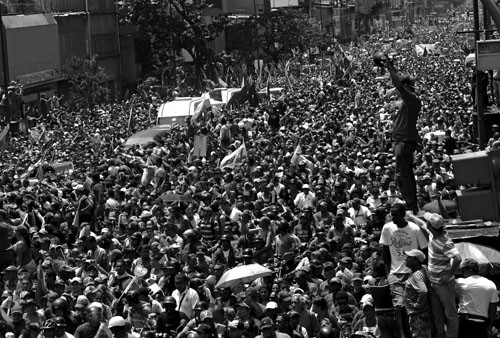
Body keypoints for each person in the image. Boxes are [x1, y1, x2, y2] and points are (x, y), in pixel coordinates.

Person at [377, 54, 422, 214]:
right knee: (405, 174)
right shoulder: (408, 100)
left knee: (403, 175)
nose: (396, 91)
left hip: (404, 142)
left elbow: (398, 83)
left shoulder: (411, 99)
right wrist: (390, 65)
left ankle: (411, 205)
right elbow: (399, 80)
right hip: (401, 141)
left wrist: (389, 68)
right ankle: (411, 204)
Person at [379, 203, 427, 338]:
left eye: (395, 214)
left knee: (413, 308)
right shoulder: (387, 228)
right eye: (391, 214)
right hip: (395, 273)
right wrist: (388, 273)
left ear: (403, 214)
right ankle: (402, 334)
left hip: (412, 273)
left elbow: (424, 250)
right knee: (399, 307)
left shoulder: (414, 229)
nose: (392, 217)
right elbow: (385, 251)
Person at [421, 213, 461, 338]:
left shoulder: (445, 242)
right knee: (437, 313)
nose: (425, 222)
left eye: (427, 222)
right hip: (433, 282)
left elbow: (458, 258)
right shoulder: (433, 233)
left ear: (431, 226)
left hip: (444, 284)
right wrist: (411, 217)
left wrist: (448, 275)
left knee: (450, 314)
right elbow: (422, 225)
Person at [456, 258, 499, 338]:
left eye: (463, 270)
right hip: (482, 325)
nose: (462, 273)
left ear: (470, 270)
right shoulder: (491, 284)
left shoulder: (460, 282)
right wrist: (489, 326)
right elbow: (493, 310)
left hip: (464, 323)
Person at [403, 249, 431, 338]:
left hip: (417, 315)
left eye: (409, 257)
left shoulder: (416, 275)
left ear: (416, 260)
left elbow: (423, 290)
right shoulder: (423, 269)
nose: (406, 259)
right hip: (421, 313)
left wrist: (417, 305)